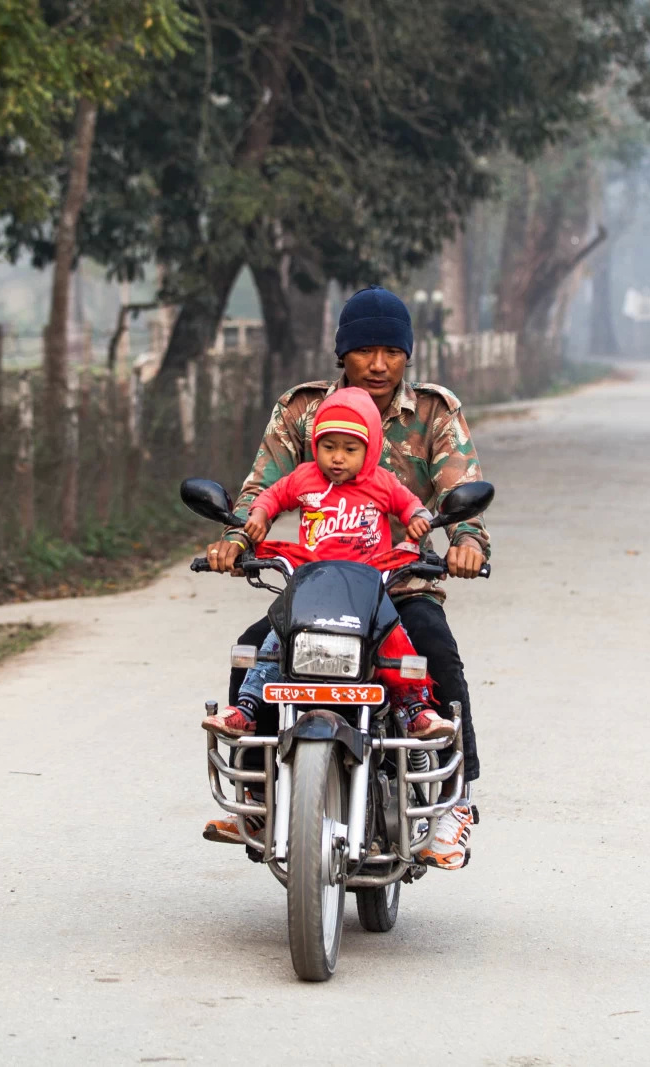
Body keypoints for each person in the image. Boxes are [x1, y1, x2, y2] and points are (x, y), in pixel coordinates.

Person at [203, 286, 489, 871]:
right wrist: (236, 540)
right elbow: (263, 490)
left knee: (437, 651)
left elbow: (462, 494)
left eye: (392, 351)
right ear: (343, 354)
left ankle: (456, 803)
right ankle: (253, 795)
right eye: (364, 351)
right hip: (317, 586)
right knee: (254, 649)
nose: (378, 364)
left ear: (408, 355)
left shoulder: (434, 411)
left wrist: (464, 542)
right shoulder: (303, 410)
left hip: (397, 585)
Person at [202, 387, 451, 741]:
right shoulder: (305, 477)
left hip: (367, 587)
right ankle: (246, 709)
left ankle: (416, 709)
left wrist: (418, 519)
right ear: (315, 444)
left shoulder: (381, 482)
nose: (337, 458)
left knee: (397, 640)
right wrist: (258, 516)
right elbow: (272, 495)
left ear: (369, 450)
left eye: (350, 449)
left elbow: (410, 504)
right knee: (274, 642)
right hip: (312, 584)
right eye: (328, 446)